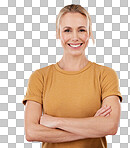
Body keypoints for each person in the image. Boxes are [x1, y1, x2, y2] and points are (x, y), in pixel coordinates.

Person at [22, 4, 123, 148]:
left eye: (81, 30)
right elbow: (31, 132)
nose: (75, 37)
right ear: (58, 34)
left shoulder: (105, 75)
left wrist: (57, 122)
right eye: (67, 30)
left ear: (89, 33)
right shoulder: (40, 77)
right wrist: (92, 127)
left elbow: (110, 126)